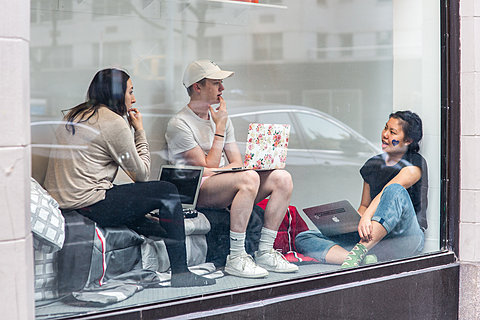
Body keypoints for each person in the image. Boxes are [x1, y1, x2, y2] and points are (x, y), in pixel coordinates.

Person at [44, 68, 215, 287]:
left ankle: (166, 237)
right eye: (130, 92)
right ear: (117, 94)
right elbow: (141, 175)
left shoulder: (74, 115)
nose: (134, 99)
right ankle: (181, 273)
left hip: (66, 202)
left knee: (149, 219)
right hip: (88, 203)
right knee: (167, 191)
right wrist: (139, 130)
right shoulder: (113, 122)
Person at [165, 60, 299, 278]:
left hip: (219, 183)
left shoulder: (222, 119)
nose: (222, 89)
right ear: (197, 87)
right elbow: (204, 168)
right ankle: (236, 257)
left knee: (282, 178)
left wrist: (227, 168)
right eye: (216, 83)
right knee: (248, 179)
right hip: (194, 189)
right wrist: (219, 130)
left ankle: (265, 251)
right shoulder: (179, 123)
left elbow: (236, 162)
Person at [296, 111, 428, 268]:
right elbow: (364, 206)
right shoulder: (372, 165)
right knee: (303, 238)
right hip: (376, 242)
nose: (385, 134)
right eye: (385, 128)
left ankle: (360, 251)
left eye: (392, 132)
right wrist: (351, 225)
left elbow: (387, 191)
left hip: (405, 239)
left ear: (408, 140)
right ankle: (359, 259)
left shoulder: (414, 164)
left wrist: (367, 218)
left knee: (394, 190)